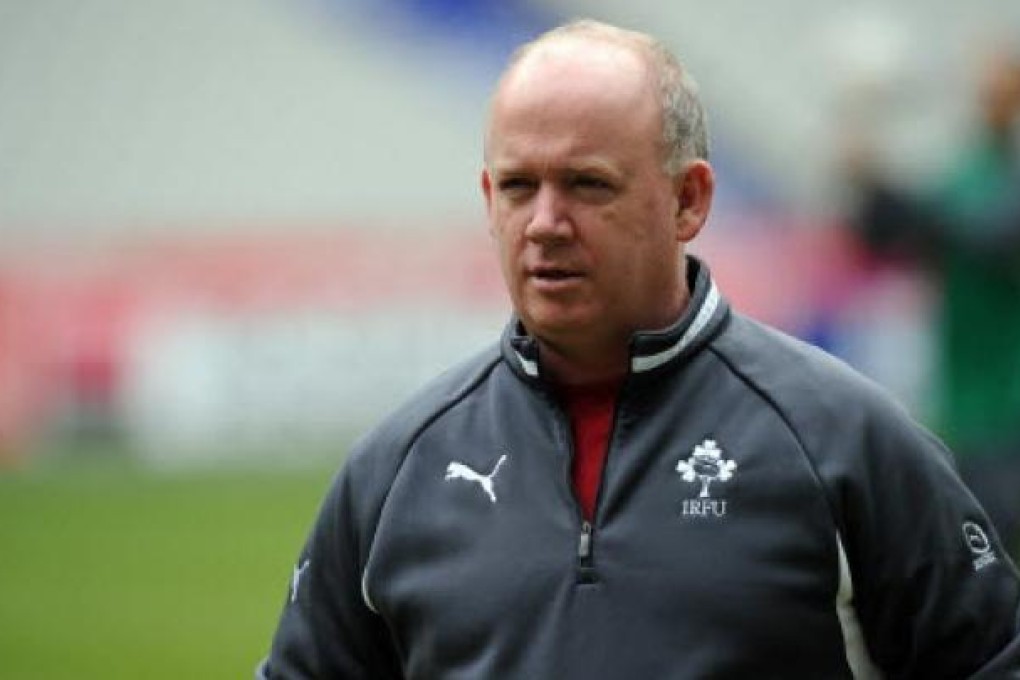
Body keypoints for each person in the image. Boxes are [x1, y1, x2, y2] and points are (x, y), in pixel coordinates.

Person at [258, 20, 1020, 678]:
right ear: (489, 201)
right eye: (519, 187)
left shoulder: (843, 441)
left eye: (588, 185)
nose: (545, 223)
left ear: (689, 200)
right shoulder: (396, 470)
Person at [844, 49, 1020, 558]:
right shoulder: (968, 172)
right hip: (965, 401)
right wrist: (865, 167)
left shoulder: (994, 181)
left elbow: (990, 233)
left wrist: (894, 190)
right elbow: (883, 231)